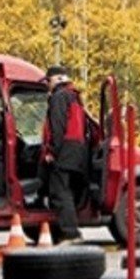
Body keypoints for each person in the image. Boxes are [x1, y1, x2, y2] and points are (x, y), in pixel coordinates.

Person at [41, 65, 88, 244]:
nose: (47, 84)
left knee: (59, 191)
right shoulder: (74, 96)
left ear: (58, 79)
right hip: (77, 150)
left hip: (65, 150)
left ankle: (71, 234)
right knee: (66, 190)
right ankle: (64, 230)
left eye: (48, 80)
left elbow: (58, 127)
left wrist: (52, 152)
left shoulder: (59, 97)